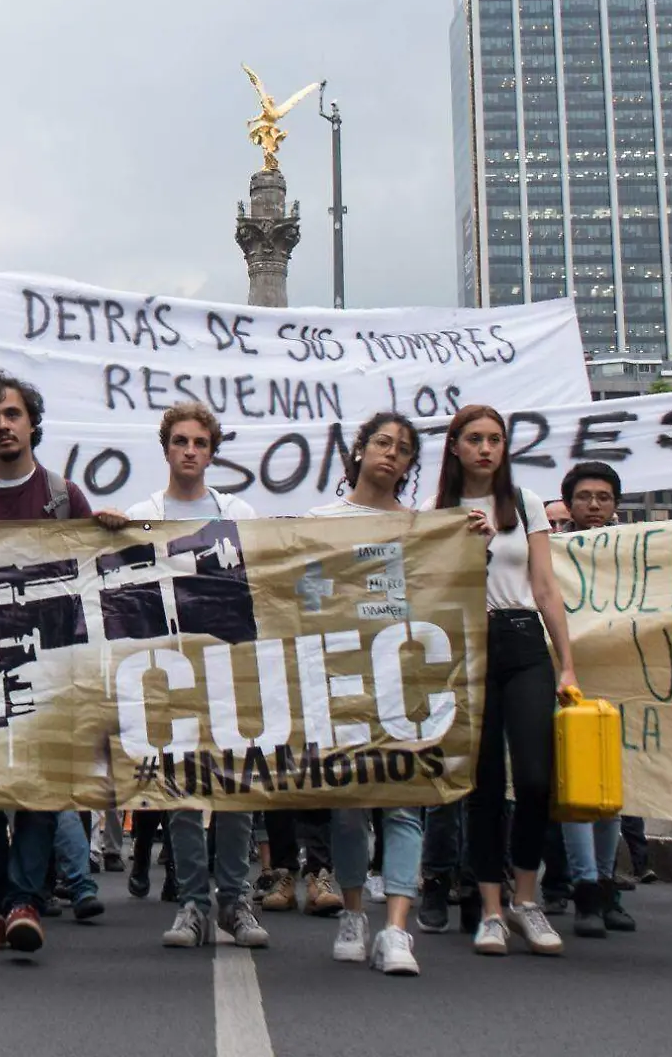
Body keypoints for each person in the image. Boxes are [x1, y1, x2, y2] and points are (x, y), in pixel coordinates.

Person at [0, 371, 114, 956]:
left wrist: (108, 533)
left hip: (51, 668)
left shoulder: (65, 497)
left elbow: (95, 579)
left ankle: (22, 903)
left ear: (32, 422)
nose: (3, 426)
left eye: (12, 415)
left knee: (42, 791)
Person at [125, 403, 271, 952]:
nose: (190, 450)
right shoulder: (145, 510)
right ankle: (193, 902)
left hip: (230, 666)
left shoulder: (238, 510)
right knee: (180, 788)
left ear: (212, 452)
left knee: (235, 785)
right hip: (169, 666)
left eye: (200, 443)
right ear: (166, 449)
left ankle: (235, 900)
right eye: (181, 441)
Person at [432, 405, 574, 959]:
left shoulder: (526, 503)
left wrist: (567, 663)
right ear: (455, 447)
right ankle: (491, 908)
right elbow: (431, 590)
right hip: (466, 646)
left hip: (521, 640)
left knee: (537, 778)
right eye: (475, 439)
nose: (486, 449)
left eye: (495, 439)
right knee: (483, 782)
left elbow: (545, 588)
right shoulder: (437, 510)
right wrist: (470, 546)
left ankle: (527, 898)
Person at [302, 412, 430, 976]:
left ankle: (397, 929)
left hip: (405, 678)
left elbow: (438, 595)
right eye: (382, 442)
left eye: (403, 449)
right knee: (351, 808)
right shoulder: (320, 521)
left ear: (409, 465)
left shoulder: (426, 527)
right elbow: (305, 596)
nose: (391, 454)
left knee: (404, 804)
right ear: (359, 449)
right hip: (344, 678)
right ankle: (354, 914)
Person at [555, 461, 637, 939]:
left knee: (610, 792)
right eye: (584, 496)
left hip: (620, 680)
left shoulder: (635, 551)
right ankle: (585, 886)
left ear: (616, 504)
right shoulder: (551, 550)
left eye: (603, 498)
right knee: (577, 788)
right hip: (570, 679)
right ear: (569, 503)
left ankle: (606, 883)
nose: (593, 505)